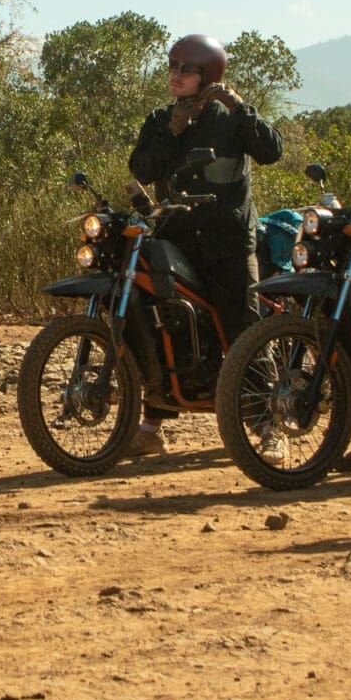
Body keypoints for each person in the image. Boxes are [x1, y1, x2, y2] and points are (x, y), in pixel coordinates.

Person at [125, 34, 284, 459]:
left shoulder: (231, 117)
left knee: (243, 326)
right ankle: (151, 426)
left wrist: (240, 107)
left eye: (186, 69)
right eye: (173, 66)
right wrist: (173, 132)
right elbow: (140, 167)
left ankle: (270, 426)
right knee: (166, 323)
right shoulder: (161, 118)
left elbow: (271, 151)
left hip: (228, 242)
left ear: (209, 75)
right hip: (176, 237)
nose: (175, 76)